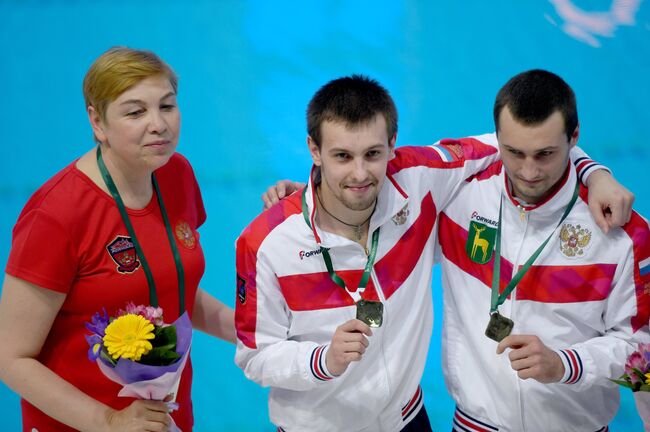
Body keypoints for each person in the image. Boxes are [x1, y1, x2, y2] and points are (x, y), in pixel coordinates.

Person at [236, 74, 626, 432]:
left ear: (393, 145)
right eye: (342, 156)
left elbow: (524, 142)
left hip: (408, 420)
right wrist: (322, 360)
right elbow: (255, 357)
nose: (359, 174)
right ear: (313, 150)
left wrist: (594, 173)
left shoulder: (420, 180)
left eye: (373, 153)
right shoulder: (267, 242)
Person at [0, 47, 235, 432]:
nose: (158, 124)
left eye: (167, 106)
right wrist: (109, 421)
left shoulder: (176, 174)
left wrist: (250, 332)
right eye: (135, 112)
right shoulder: (57, 214)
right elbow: (11, 357)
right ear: (97, 121)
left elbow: (173, 289)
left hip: (163, 420)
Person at [435, 69, 650, 432]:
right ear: (496, 139)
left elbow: (642, 351)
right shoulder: (456, 196)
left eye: (545, 154)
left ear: (575, 137)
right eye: (514, 152)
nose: (529, 171)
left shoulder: (622, 233)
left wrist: (565, 364)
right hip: (474, 424)